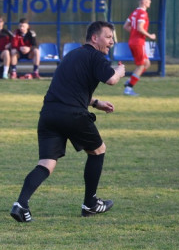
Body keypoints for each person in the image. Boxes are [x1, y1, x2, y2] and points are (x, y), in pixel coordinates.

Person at [10, 20, 126, 223]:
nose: (111, 42)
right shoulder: (95, 55)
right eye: (108, 37)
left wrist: (96, 102)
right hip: (71, 114)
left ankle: (21, 204)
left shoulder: (72, 55)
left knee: (46, 163)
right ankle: (90, 204)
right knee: (98, 150)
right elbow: (111, 80)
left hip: (49, 114)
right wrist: (120, 72)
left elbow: (70, 89)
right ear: (94, 38)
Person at [122, 0, 156, 96]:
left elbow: (125, 26)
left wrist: (134, 33)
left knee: (147, 63)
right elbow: (140, 28)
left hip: (133, 41)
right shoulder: (142, 13)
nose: (150, 2)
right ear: (143, 2)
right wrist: (150, 36)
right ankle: (128, 88)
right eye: (148, 0)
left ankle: (130, 80)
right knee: (141, 65)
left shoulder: (135, 12)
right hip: (138, 42)